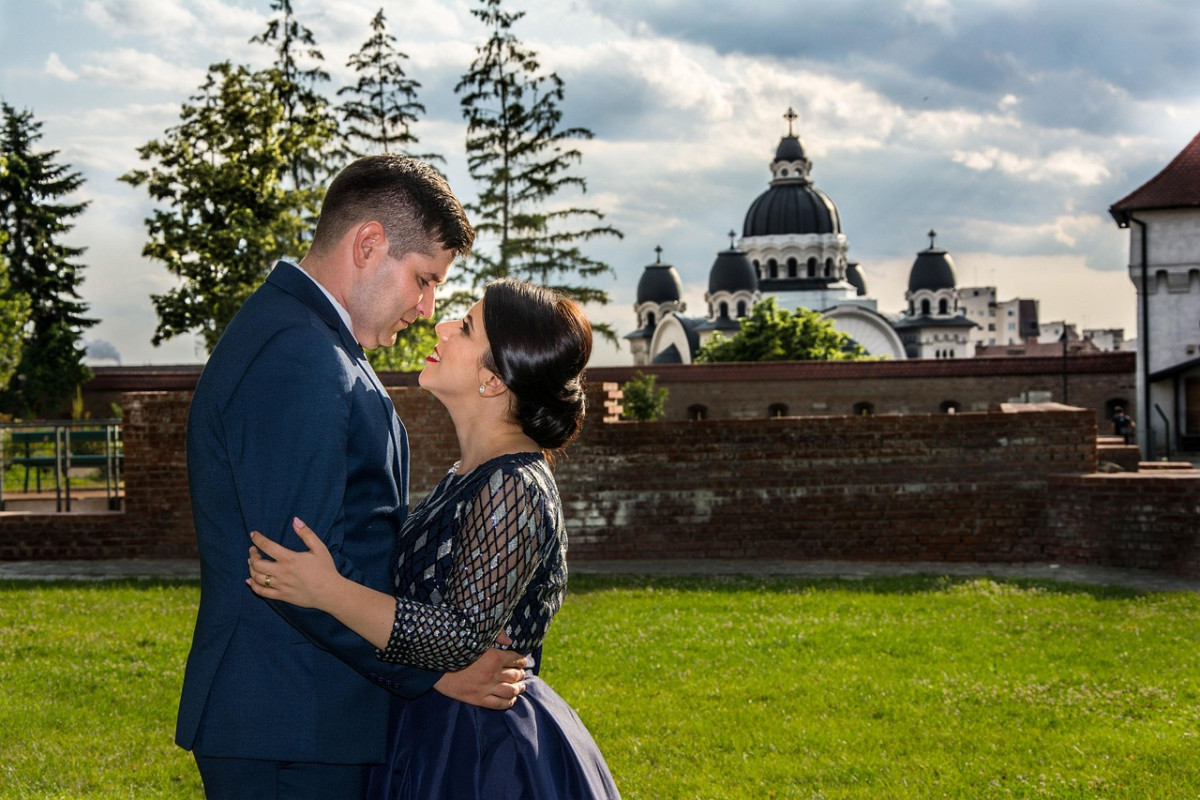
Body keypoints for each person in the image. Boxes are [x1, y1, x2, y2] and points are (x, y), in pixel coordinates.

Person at [177, 155, 528, 799]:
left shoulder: (314, 340)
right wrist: (434, 672)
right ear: (368, 244)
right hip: (289, 723)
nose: (426, 307)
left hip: (309, 717)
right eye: (423, 279)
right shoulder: (297, 354)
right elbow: (290, 568)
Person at [246, 278, 621, 799]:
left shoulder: (514, 485)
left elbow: (459, 635)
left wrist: (327, 591)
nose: (441, 325)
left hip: (481, 751)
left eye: (465, 328)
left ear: (493, 380)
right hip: (430, 730)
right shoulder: (472, 475)